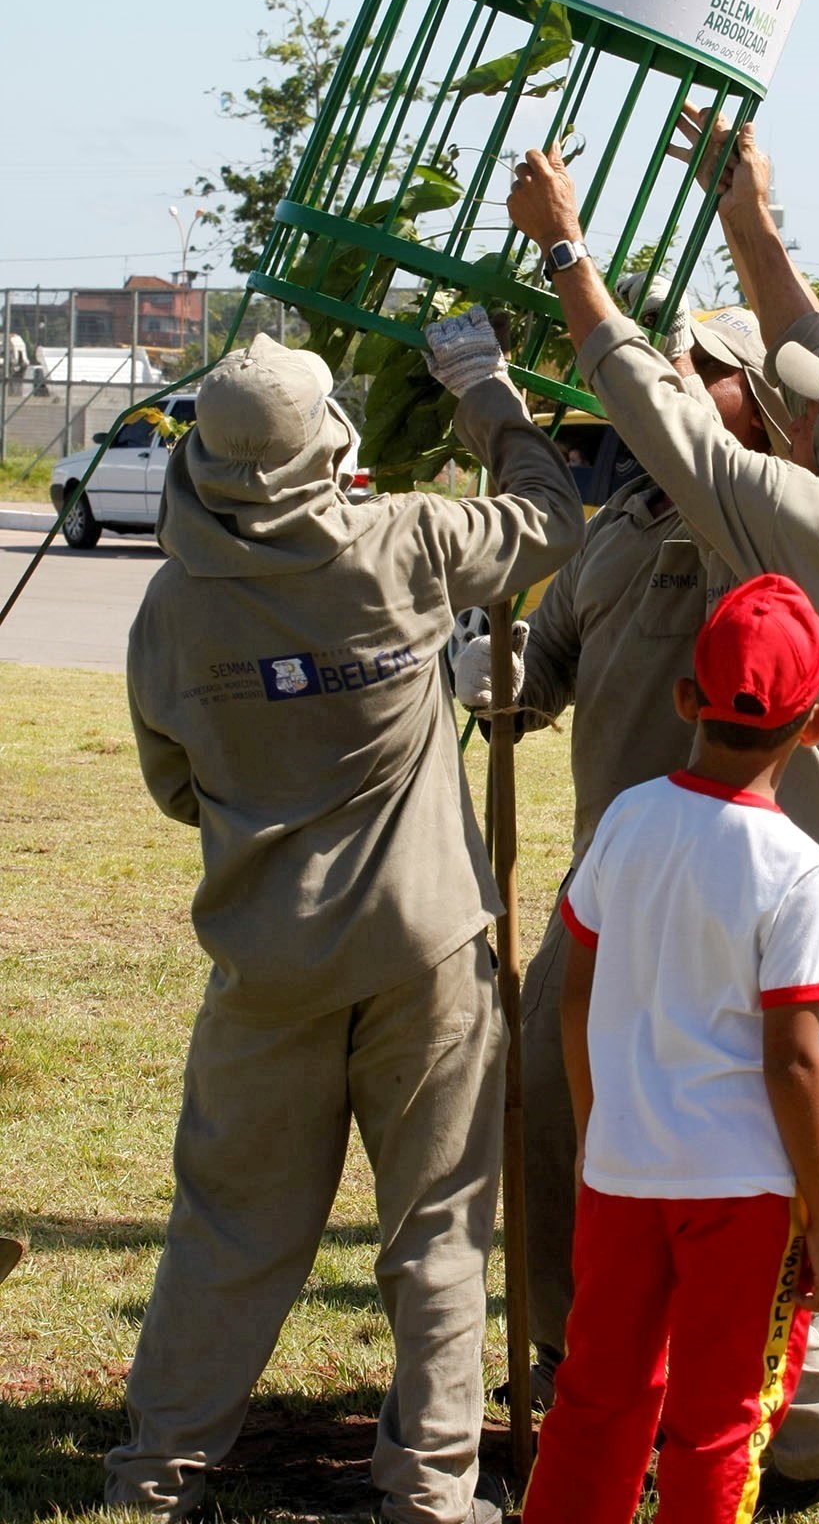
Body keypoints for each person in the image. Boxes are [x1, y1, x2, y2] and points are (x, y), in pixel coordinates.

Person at [506, 131, 819, 1510]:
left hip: (802, 890)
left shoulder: (795, 519)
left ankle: (695, 1413)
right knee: (787, 1172)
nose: (774, 394)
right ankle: (812, 1425)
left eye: (798, 407)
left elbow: (661, 412)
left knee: (751, 1154)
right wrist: (751, 218)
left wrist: (565, 252)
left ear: (818, 445)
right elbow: (811, 352)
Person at [103, 318, 584, 1524]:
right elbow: (548, 513)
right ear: (331, 449)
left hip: (267, 966)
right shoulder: (402, 542)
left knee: (228, 1228)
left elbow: (177, 786)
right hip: (424, 953)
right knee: (436, 1229)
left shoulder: (171, 612)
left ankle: (158, 1474)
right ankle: (427, 1488)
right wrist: (483, 389)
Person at [453, 295, 790, 1412]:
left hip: (728, 897)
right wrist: (499, 681)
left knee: (732, 1150)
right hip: (606, 876)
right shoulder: (619, 516)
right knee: (550, 1101)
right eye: (664, 364)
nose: (675, 381)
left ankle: (787, 1398)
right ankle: (571, 1354)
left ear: (757, 394)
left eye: (701, 368)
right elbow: (546, 663)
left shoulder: (762, 519)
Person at [521, 575, 819, 1524]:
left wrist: (598, 1131)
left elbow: (575, 995)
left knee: (595, 1395)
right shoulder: (798, 871)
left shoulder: (625, 819)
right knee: (718, 1422)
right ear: (817, 723)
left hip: (622, 1173)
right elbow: (794, 1059)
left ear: (683, 698)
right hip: (742, 1195)